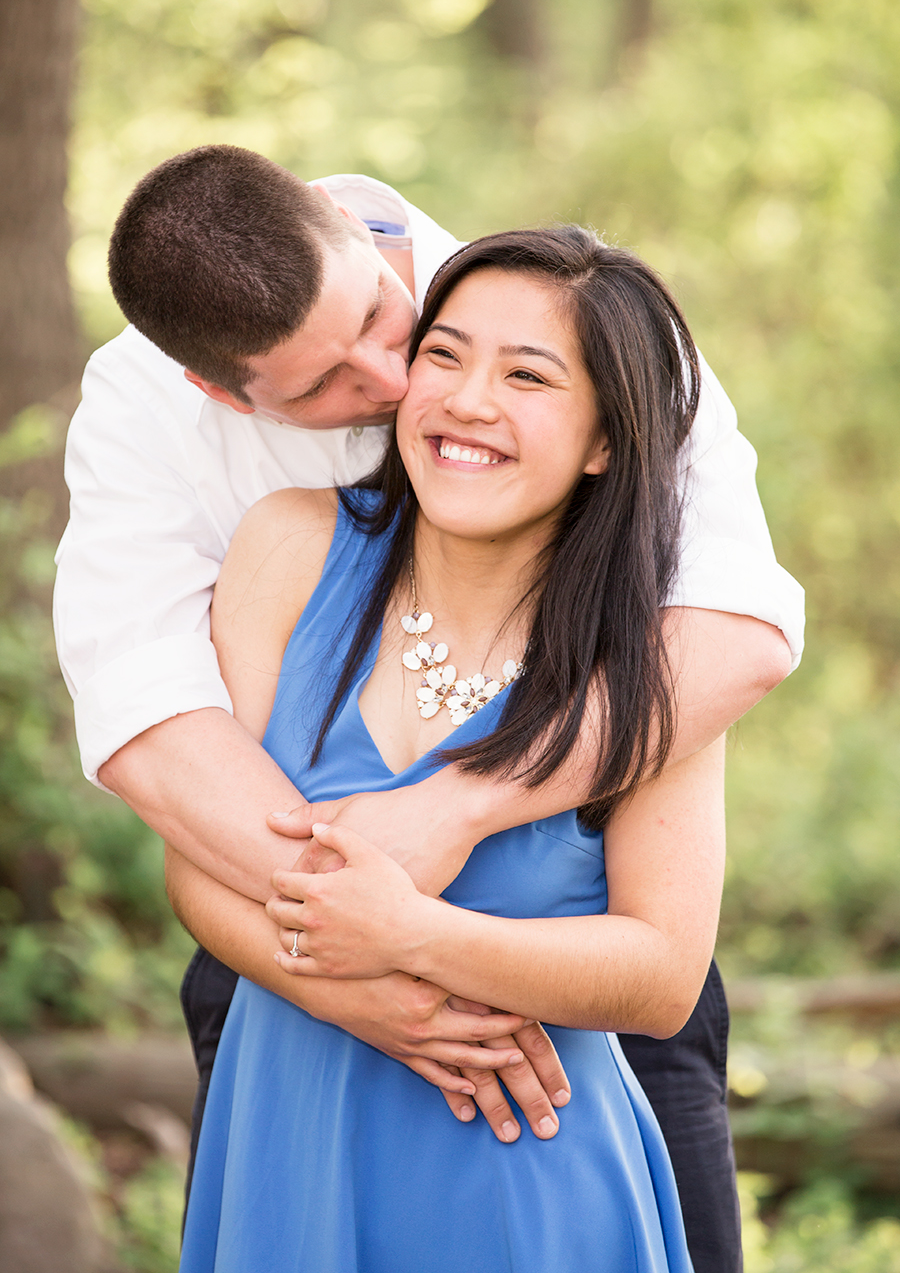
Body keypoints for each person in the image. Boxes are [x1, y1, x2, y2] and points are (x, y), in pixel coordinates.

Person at [53, 146, 804, 1272]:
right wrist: (351, 973)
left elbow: (738, 633)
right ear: (221, 390)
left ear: (357, 234)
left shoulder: (589, 322)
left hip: (563, 1071)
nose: (413, 385)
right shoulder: (184, 447)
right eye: (323, 386)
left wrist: (454, 814)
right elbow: (153, 725)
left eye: (386, 320)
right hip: (293, 1011)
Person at [177, 227, 727, 1272]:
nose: (468, 400)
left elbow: (663, 973)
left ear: (606, 439)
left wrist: (410, 934)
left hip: (526, 1171)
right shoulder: (289, 548)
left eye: (528, 375)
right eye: (444, 354)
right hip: (287, 1139)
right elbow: (199, 870)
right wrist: (365, 1001)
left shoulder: (657, 648)